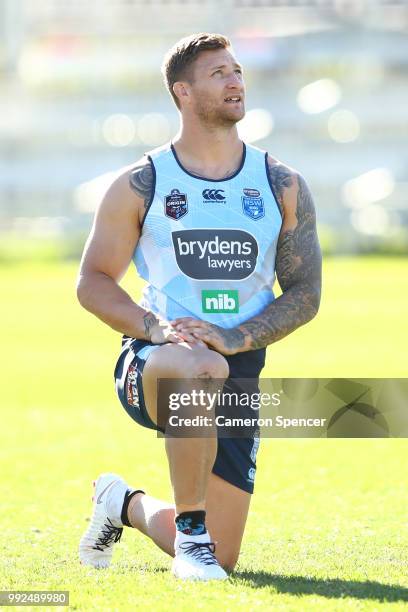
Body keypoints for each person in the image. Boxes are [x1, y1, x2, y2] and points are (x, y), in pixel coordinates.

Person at [76, 33, 321, 581]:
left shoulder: (282, 183)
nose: (236, 81)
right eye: (219, 74)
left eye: (237, 71)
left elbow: (306, 293)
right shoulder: (142, 183)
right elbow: (92, 282)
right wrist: (156, 329)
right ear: (183, 92)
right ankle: (190, 539)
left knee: (226, 554)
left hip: (239, 366)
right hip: (156, 359)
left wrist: (235, 339)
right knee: (198, 363)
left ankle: (123, 504)